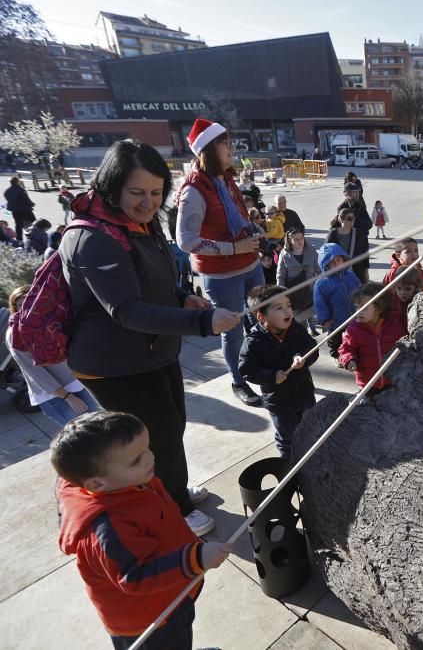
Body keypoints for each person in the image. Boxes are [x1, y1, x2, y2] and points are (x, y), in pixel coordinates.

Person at [61, 139, 241, 537]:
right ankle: (172, 508)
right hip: (115, 364)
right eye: (137, 192)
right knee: (150, 438)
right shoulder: (94, 238)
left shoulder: (139, 224)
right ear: (113, 186)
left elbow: (151, 283)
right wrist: (204, 322)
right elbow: (125, 309)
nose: (148, 203)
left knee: (171, 426)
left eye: (157, 193)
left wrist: (183, 298)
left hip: (154, 349)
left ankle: (172, 489)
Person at [53, 411, 231, 648]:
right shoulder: (107, 527)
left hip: (170, 594)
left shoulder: (124, 481)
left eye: (147, 447)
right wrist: (196, 558)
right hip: (151, 618)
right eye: (136, 460)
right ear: (96, 484)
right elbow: (136, 575)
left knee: (181, 634)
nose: (150, 458)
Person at [175, 118, 265, 407]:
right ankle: (239, 381)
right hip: (222, 275)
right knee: (233, 330)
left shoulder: (224, 179)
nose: (231, 148)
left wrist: (253, 229)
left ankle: (260, 365)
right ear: (208, 149)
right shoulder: (193, 191)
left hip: (251, 265)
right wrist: (233, 246)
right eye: (224, 144)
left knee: (260, 319)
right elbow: (185, 240)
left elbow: (236, 215)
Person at [238, 286, 319, 458]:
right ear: (261, 316)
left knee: (312, 430)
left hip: (304, 393)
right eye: (278, 308)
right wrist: (272, 376)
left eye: (288, 305)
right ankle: (288, 469)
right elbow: (246, 369)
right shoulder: (253, 341)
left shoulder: (296, 329)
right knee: (287, 438)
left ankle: (313, 461)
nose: (287, 311)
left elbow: (312, 347)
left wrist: (302, 357)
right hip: (279, 402)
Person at [6, 287, 101, 426]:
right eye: (20, 305)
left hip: (77, 384)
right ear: (15, 308)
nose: (26, 308)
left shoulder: (50, 321)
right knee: (83, 434)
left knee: (101, 428)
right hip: (53, 395)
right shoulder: (15, 334)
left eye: (29, 302)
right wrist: (67, 397)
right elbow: (34, 372)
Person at [339, 282, 405, 389]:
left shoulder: (394, 327)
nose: (359, 311)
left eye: (364, 308)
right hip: (367, 384)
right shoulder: (353, 330)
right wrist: (349, 360)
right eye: (357, 307)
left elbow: (403, 347)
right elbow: (346, 349)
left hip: (392, 381)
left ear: (379, 308)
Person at [313, 242, 362, 357]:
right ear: (325, 265)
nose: (336, 264)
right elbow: (319, 303)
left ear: (343, 260)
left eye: (338, 260)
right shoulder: (322, 283)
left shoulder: (351, 275)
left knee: (355, 335)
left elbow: (360, 289)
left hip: (354, 315)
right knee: (336, 339)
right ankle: (336, 355)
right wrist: (325, 319)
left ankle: (353, 353)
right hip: (335, 320)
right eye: (332, 262)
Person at [277, 226, 320, 325]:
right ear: (289, 240)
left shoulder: (311, 250)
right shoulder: (284, 255)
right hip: (295, 294)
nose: (300, 241)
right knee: (299, 322)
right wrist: (282, 293)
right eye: (296, 239)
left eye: (301, 238)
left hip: (311, 290)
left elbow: (319, 269)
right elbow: (280, 275)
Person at [337, 182, 372, 282]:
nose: (357, 194)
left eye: (358, 192)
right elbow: (346, 228)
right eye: (354, 192)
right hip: (349, 246)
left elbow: (369, 224)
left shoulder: (360, 206)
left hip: (362, 243)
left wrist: (357, 223)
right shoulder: (342, 209)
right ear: (347, 194)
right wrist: (359, 225)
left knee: (362, 274)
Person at [326, 206, 367, 282]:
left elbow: (365, 253)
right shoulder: (332, 235)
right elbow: (326, 256)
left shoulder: (359, 234)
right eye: (349, 219)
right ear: (340, 220)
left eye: (353, 218)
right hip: (338, 273)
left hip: (357, 273)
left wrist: (366, 271)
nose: (352, 221)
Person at [4, 176, 35, 241]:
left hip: (15, 210)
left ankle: (19, 239)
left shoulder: (7, 191)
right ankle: (36, 235)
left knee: (18, 225)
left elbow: (8, 199)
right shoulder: (20, 189)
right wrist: (31, 204)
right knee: (34, 222)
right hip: (24, 209)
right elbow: (25, 199)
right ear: (17, 182)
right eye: (19, 181)